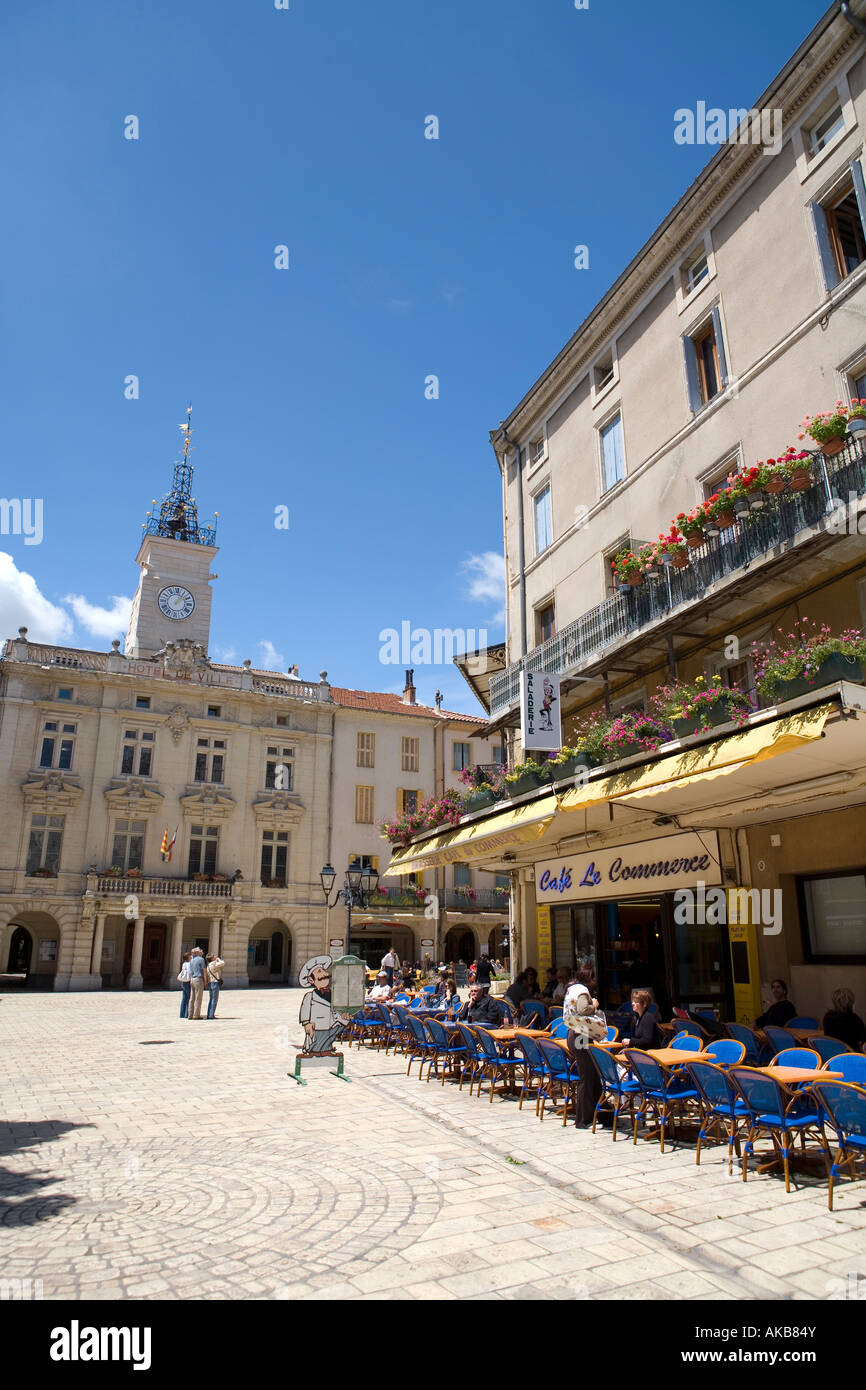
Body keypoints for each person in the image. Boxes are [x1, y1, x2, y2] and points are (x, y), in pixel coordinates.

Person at [562, 967, 605, 1128]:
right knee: (587, 1077)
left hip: (573, 1032)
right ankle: (583, 1120)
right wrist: (593, 1005)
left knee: (592, 1075)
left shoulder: (571, 988)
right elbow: (582, 1009)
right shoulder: (582, 990)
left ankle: (598, 1113)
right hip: (581, 1035)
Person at [187, 947, 208, 1020]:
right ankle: (196, 1015)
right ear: (198, 952)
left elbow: (190, 971)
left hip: (192, 979)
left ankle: (190, 1014)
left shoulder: (191, 960)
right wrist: (205, 982)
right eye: (200, 950)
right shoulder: (201, 959)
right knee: (198, 998)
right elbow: (204, 971)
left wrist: (190, 979)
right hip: (199, 979)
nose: (202, 951)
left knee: (192, 998)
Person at [205, 953, 224, 1019]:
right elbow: (222, 963)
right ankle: (211, 1015)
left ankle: (209, 1014)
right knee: (214, 1000)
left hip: (210, 983)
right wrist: (218, 959)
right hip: (215, 983)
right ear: (212, 958)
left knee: (211, 999)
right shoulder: (214, 963)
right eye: (214, 956)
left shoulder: (208, 966)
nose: (215, 957)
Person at [177, 951, 192, 1019]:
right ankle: (187, 1013)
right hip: (187, 982)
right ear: (188, 957)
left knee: (184, 998)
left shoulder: (184, 963)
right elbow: (189, 972)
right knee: (188, 998)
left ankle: (182, 1013)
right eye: (190, 955)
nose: (191, 956)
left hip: (183, 981)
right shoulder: (189, 964)